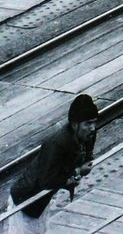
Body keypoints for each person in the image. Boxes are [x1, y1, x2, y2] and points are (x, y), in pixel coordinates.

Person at [6, 94, 98, 231]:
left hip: (42, 200)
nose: (93, 128)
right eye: (88, 124)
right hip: (26, 200)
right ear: (74, 125)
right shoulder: (56, 144)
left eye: (94, 122)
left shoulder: (87, 135)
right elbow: (47, 181)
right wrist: (77, 172)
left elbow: (84, 157)